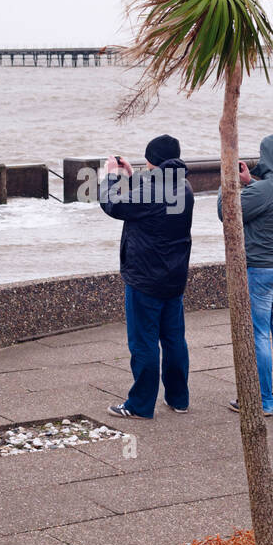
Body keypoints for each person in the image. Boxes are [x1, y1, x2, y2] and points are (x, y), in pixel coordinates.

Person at [99, 134, 195, 419]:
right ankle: (179, 398)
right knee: (174, 339)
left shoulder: (154, 189)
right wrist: (131, 174)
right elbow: (146, 196)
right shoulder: (183, 186)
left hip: (145, 277)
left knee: (144, 342)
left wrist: (111, 177)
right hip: (174, 275)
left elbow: (114, 205)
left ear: (151, 160)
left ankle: (139, 405)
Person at [217, 133, 273, 415]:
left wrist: (228, 181)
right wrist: (250, 182)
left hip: (260, 273)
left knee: (259, 334)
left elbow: (227, 212)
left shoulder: (263, 191)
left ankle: (261, 401)